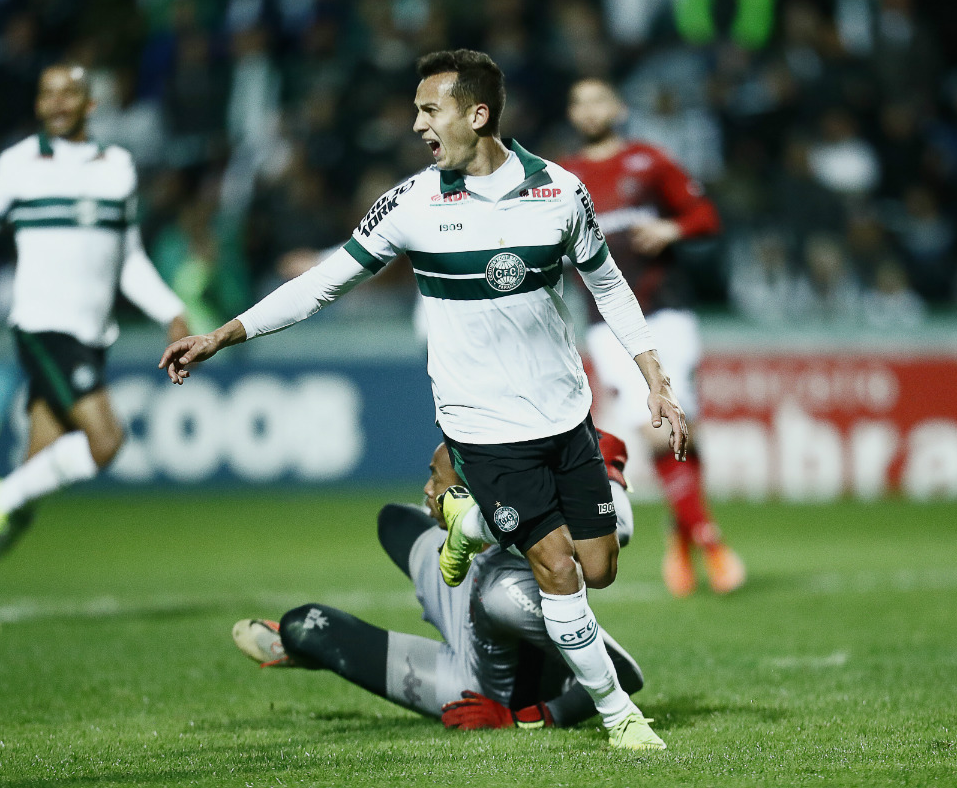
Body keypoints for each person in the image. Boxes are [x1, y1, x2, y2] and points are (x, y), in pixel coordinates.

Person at [161, 49, 680, 750]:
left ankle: (469, 522)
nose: (416, 125)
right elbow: (322, 283)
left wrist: (655, 377)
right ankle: (622, 719)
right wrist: (224, 334)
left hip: (565, 414)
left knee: (600, 567)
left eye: (430, 110)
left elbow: (609, 284)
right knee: (558, 570)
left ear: (478, 114)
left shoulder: (560, 191)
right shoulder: (412, 203)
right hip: (484, 425)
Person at [0, 65, 189, 634]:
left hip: (92, 337)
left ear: (89, 103)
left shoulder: (117, 166)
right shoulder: (15, 165)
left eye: (68, 93)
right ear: (37, 104)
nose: (56, 103)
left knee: (35, 478)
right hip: (42, 328)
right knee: (106, 441)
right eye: (47, 93)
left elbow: (129, 260)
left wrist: (171, 312)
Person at [232, 433, 646, 734]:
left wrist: (525, 718)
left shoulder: (507, 592)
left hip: (473, 681)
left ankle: (305, 649)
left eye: (436, 479)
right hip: (462, 586)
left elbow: (625, 673)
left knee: (303, 626)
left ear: (468, 494)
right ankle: (458, 546)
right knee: (393, 520)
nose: (427, 488)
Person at [562, 77, 745, 598]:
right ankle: (707, 539)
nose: (590, 110)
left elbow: (704, 214)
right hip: (607, 322)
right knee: (658, 430)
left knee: (683, 429)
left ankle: (683, 532)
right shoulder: (562, 177)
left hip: (666, 310)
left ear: (618, 108)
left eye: (599, 100)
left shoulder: (650, 161)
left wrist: (672, 229)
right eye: (580, 103)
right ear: (572, 115)